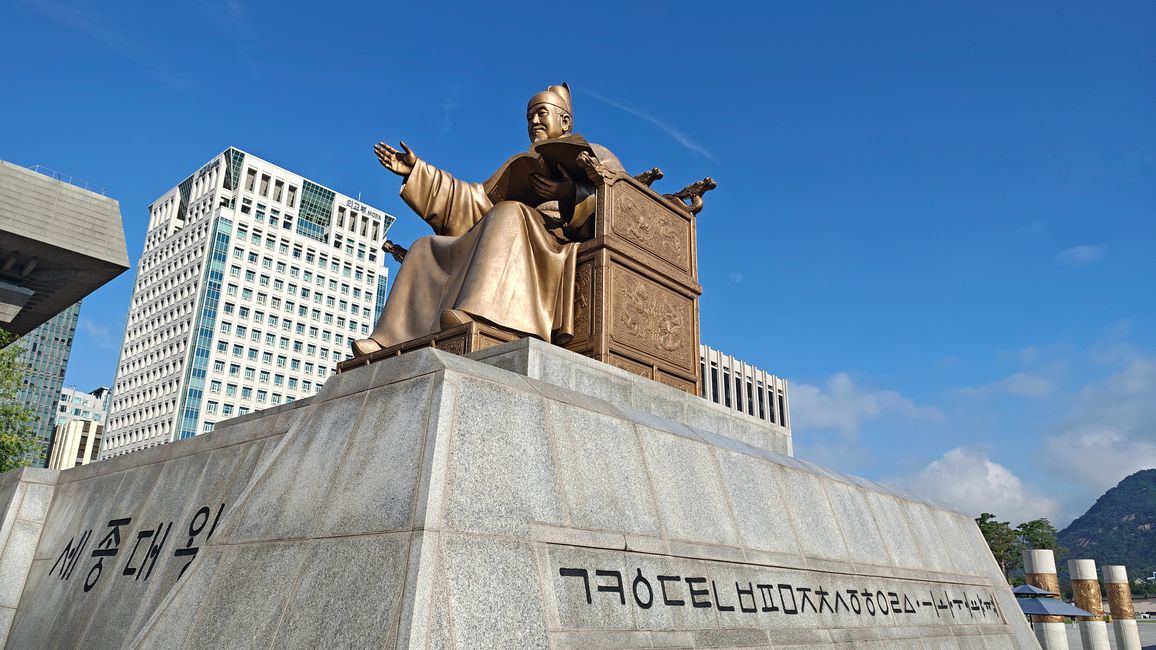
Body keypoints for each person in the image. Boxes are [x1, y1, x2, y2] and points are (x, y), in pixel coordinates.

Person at [352, 83, 624, 355]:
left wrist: (570, 193)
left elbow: (619, 203)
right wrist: (418, 172)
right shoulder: (524, 160)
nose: (534, 122)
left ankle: (483, 317)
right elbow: (475, 201)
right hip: (508, 232)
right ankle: (389, 340)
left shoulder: (595, 153)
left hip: (555, 242)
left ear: (564, 121)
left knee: (509, 212)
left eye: (541, 113)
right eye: (529, 118)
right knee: (425, 246)